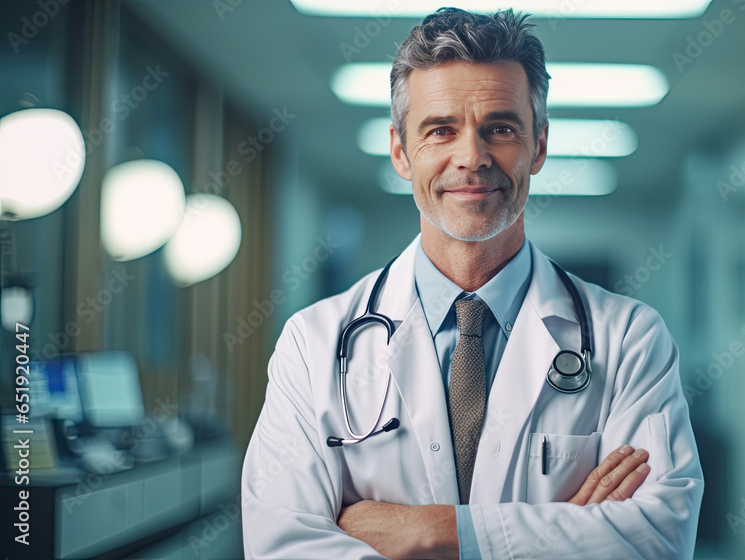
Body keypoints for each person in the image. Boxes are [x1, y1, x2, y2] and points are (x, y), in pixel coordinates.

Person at [241, 7, 702, 559]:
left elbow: (658, 538)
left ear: (539, 145)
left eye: (501, 129)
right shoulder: (313, 342)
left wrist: (433, 531)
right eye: (440, 130)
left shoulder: (627, 339)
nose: (472, 158)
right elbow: (282, 547)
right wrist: (555, 533)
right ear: (400, 151)